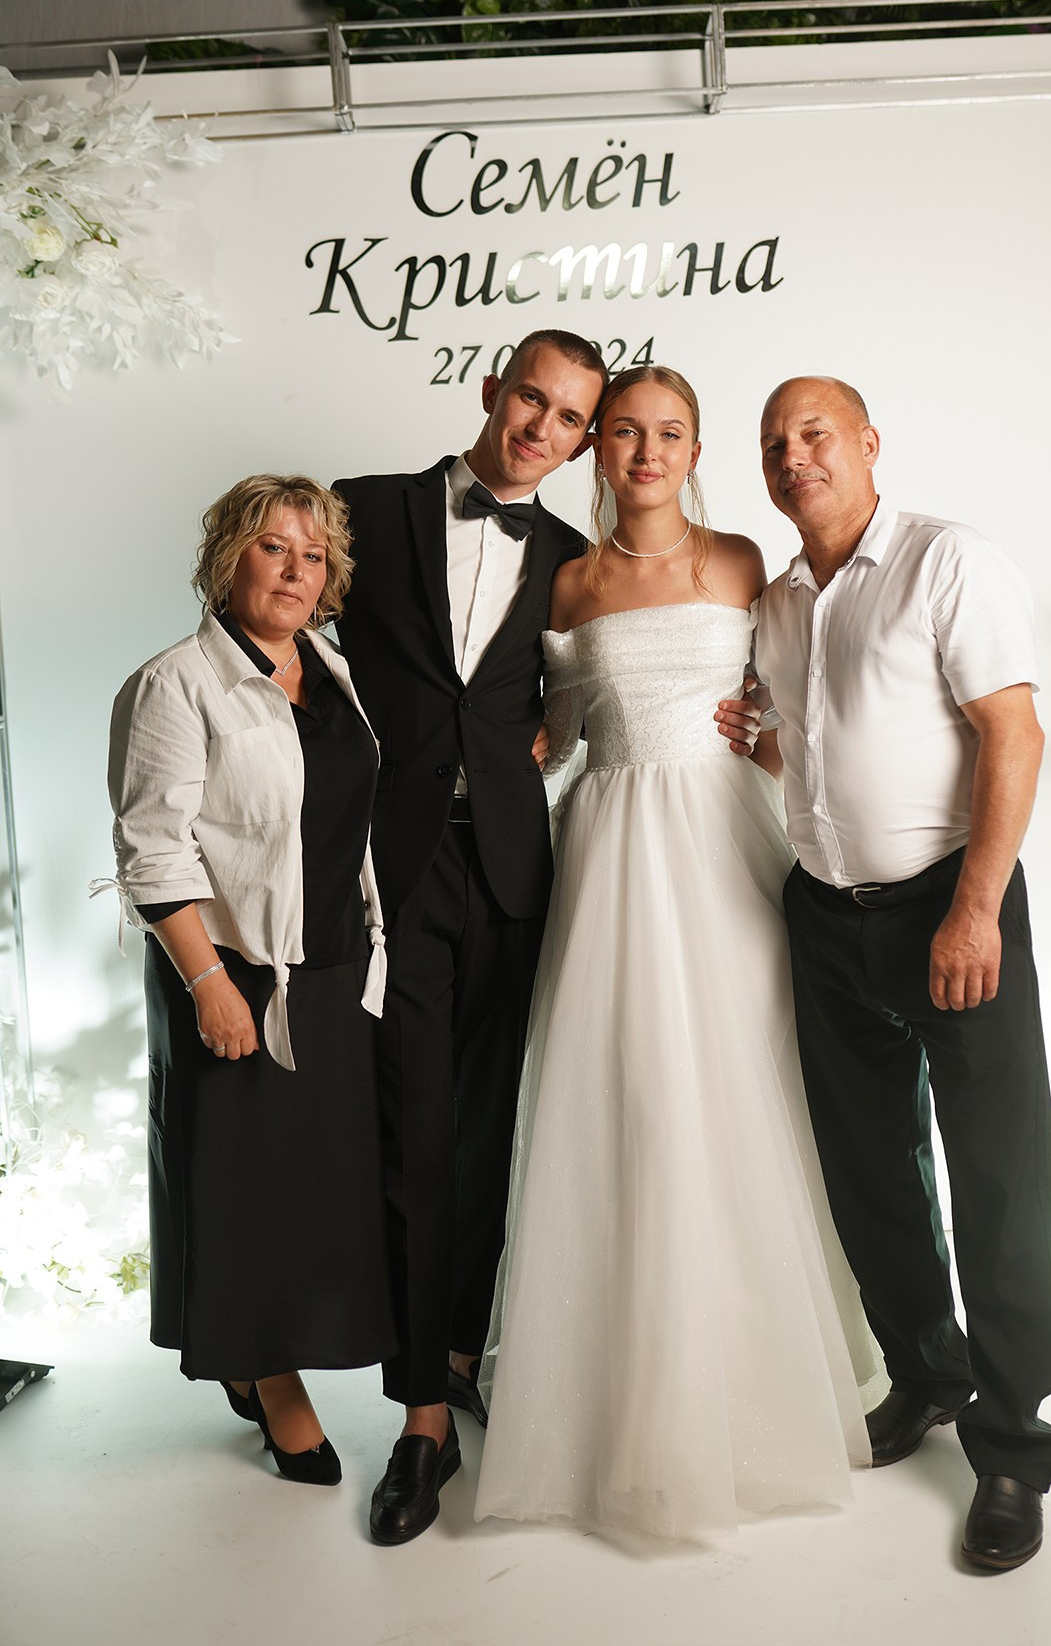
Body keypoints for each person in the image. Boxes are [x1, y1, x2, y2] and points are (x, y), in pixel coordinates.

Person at [473, 365, 882, 1546]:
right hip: (609, 855)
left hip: (721, 846)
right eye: (624, 432)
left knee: (745, 1089)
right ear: (596, 448)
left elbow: (787, 704)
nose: (647, 452)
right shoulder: (567, 580)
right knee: (630, 1099)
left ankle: (760, 1383)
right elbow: (556, 737)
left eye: (670, 433)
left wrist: (769, 734)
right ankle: (631, 1395)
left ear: (697, 449)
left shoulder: (745, 562)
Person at [745, 375, 1051, 1572]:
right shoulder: (778, 601)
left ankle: (1015, 1445)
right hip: (826, 916)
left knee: (998, 1179)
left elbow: (1013, 731)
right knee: (870, 1170)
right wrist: (757, 742)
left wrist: (976, 909)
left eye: (816, 434)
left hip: (951, 905)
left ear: (869, 443)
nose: (795, 457)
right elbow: (816, 746)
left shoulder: (946, 560)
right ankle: (928, 1374)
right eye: (775, 443)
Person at [332, 330, 608, 1546]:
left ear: (583, 442)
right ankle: (422, 1421)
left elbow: (577, 696)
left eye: (568, 418)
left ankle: (459, 1353)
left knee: (491, 1130)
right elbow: (290, 645)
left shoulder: (572, 559)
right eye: (530, 399)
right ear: (492, 391)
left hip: (511, 869)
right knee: (413, 1133)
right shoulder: (361, 508)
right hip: (388, 867)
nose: (540, 428)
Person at [100, 474, 395, 1486]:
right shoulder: (176, 683)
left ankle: (253, 1354)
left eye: (313, 556)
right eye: (274, 548)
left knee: (309, 1188)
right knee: (244, 1190)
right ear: (229, 559)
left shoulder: (333, 669)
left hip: (332, 967)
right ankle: (272, 1380)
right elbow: (152, 850)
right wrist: (208, 985)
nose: (295, 571)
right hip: (232, 971)